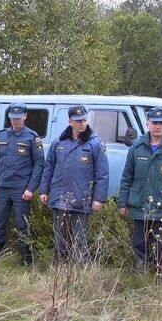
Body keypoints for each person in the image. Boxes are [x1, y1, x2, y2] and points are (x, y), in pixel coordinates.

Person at [117, 107, 162, 284]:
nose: (157, 127)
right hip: (140, 205)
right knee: (139, 243)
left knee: (161, 247)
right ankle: (140, 276)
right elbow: (127, 177)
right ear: (147, 123)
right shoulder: (137, 146)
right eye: (154, 123)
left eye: (161, 123)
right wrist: (122, 202)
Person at [39, 105, 109, 263]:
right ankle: (59, 267)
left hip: (81, 198)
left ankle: (79, 269)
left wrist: (99, 198)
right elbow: (49, 167)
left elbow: (102, 173)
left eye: (84, 120)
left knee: (79, 238)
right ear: (70, 121)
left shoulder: (95, 143)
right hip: (59, 195)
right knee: (59, 236)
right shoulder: (59, 142)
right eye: (78, 121)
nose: (82, 123)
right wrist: (44, 190)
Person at [0, 103, 44, 265]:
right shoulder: (2, 135)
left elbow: (39, 165)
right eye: (13, 118)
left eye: (18, 118)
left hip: (21, 189)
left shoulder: (32, 137)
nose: (15, 121)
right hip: (2, 187)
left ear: (25, 116)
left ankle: (26, 257)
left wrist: (31, 188)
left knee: (21, 223)